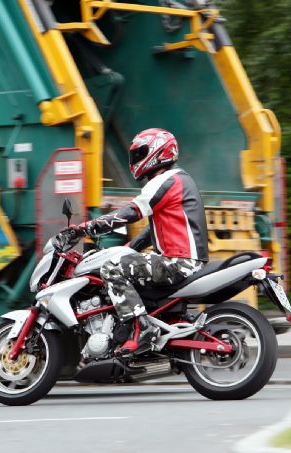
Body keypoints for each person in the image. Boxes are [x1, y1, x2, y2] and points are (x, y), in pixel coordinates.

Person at [63, 128, 209, 355]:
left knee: (112, 269)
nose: (135, 160)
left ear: (157, 152)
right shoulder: (179, 179)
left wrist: (84, 228)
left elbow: (131, 212)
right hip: (186, 261)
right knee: (128, 263)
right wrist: (128, 248)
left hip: (178, 262)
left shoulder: (165, 180)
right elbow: (153, 231)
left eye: (140, 153)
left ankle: (142, 329)